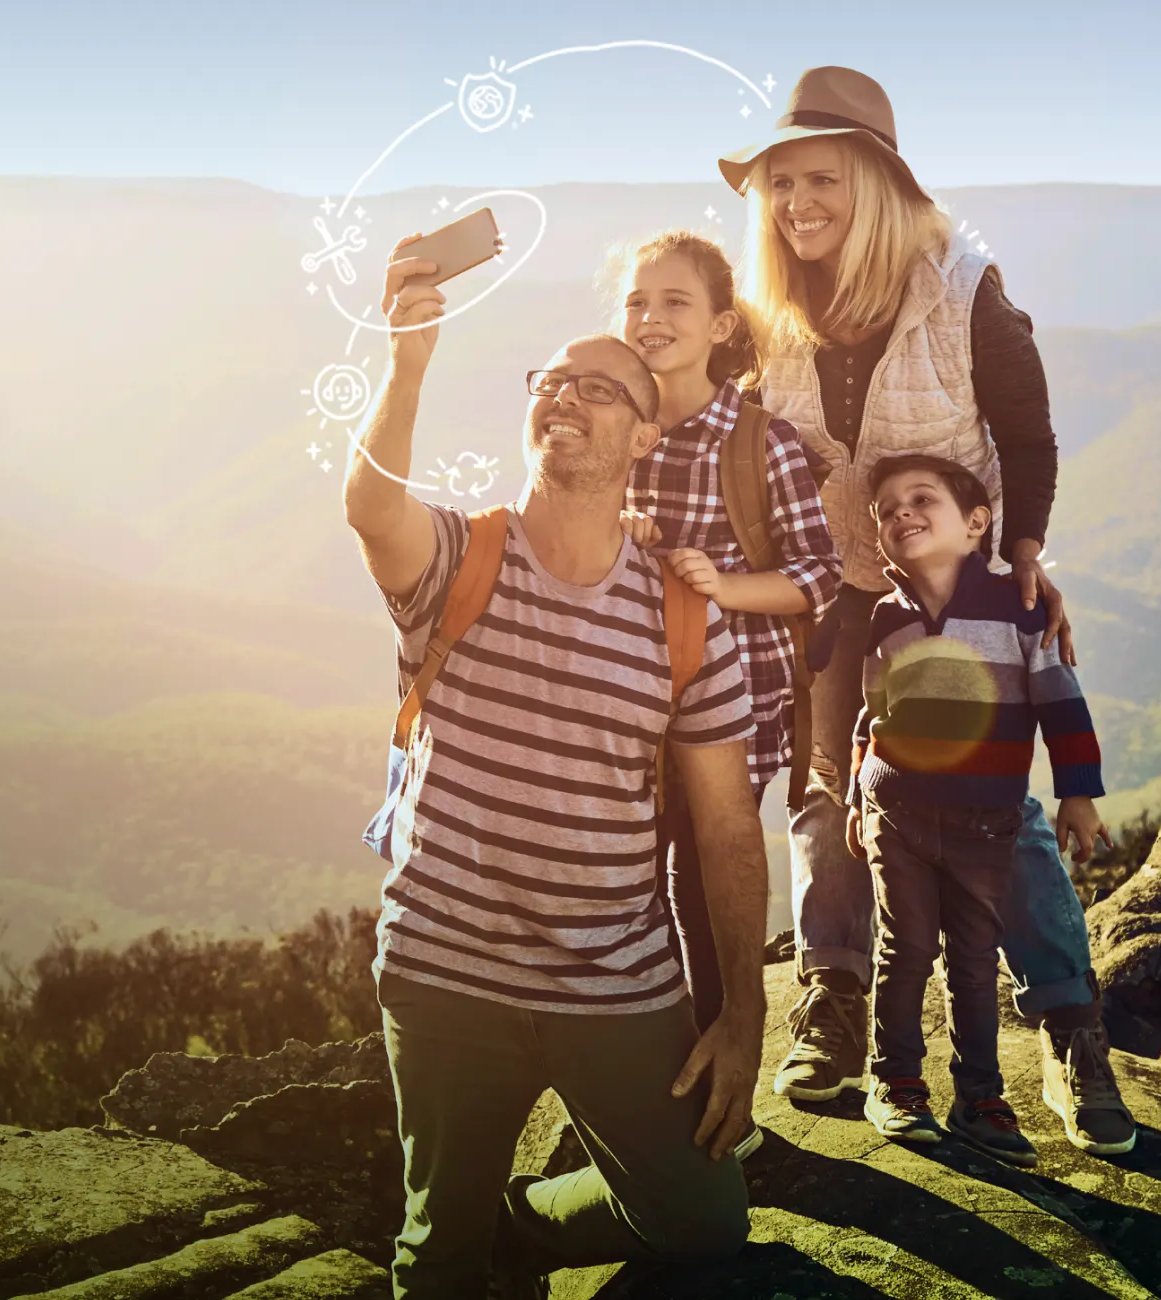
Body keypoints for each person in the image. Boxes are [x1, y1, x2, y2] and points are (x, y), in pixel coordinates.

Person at [718, 65, 1134, 1156]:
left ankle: (1066, 1020)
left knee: (999, 808)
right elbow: (685, 395)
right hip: (829, 588)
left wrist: (1026, 559)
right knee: (827, 794)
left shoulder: (964, 289)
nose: (797, 204)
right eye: (780, 184)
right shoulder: (761, 315)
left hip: (952, 588)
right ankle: (837, 997)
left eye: (821, 179)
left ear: (877, 184)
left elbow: (1029, 435)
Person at [342, 234, 766, 1298]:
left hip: (616, 982)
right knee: (435, 1261)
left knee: (702, 1224)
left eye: (602, 387)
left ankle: (522, 1222)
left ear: (647, 431)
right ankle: (468, 1232)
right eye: (553, 382)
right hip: (448, 972)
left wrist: (743, 1015)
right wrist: (407, 364)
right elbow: (370, 507)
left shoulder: (683, 615)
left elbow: (723, 824)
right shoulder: (460, 559)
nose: (568, 397)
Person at [844, 454, 1120, 1162]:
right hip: (897, 812)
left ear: (976, 522)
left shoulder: (1016, 608)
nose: (899, 512)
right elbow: (869, 714)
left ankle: (982, 1099)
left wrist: (1078, 793)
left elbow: (1061, 701)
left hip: (986, 822)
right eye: (885, 509)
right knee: (904, 952)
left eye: (920, 498)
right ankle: (897, 1083)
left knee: (971, 962)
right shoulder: (885, 616)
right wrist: (855, 800)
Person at [610, 230, 841, 1033]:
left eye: (675, 301)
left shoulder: (757, 440)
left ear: (718, 326)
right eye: (637, 300)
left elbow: (819, 573)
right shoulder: (611, 431)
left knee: (707, 875)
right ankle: (656, 1054)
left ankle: (722, 1046)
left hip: (735, 699)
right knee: (632, 877)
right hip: (627, 698)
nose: (650, 316)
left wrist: (724, 584)